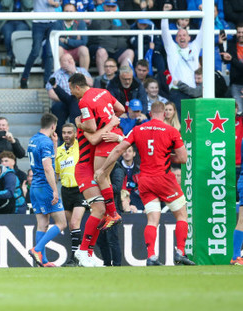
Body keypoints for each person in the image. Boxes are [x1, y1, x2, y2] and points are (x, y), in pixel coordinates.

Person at [95, 101, 195, 266]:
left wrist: (103, 169)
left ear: (150, 112)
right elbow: (183, 159)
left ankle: (152, 257)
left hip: (145, 180)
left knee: (152, 220)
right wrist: (165, 155)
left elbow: (119, 149)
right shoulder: (171, 131)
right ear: (164, 113)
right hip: (164, 179)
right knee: (182, 215)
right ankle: (180, 252)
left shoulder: (138, 129)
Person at [68, 73, 124, 267]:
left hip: (91, 167)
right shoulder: (84, 122)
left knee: (99, 210)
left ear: (75, 87)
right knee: (98, 209)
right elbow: (92, 139)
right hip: (84, 168)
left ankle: (89, 252)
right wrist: (111, 123)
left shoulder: (88, 111)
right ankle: (83, 251)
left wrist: (111, 127)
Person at [26, 113, 68, 267]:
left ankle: (42, 261)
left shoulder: (33, 139)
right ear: (53, 126)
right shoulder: (45, 143)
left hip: (35, 188)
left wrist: (55, 144)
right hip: (45, 187)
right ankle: (37, 249)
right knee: (61, 222)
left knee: (42, 224)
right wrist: (55, 190)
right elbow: (48, 167)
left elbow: (48, 159)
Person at [54, 123, 88, 265]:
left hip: (80, 189)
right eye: (64, 132)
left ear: (75, 133)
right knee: (72, 226)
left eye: (69, 132)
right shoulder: (59, 150)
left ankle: (74, 258)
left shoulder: (79, 146)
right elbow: (57, 173)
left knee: (75, 223)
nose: (66, 135)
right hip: (66, 190)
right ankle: (79, 255)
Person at [161, 16, 203, 115]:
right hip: (177, 92)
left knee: (193, 125)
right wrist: (165, 14)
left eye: (184, 35)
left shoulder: (195, 47)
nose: (182, 37)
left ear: (189, 38)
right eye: (179, 35)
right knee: (178, 124)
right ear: (176, 38)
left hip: (193, 92)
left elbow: (203, 31)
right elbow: (164, 31)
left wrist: (204, 13)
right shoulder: (171, 48)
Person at [88, 0, 134, 77]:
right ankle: (103, 80)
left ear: (116, 7)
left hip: (118, 50)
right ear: (104, 6)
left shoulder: (120, 17)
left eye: (113, 6)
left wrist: (111, 28)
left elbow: (127, 31)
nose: (110, 9)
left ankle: (123, 78)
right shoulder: (97, 15)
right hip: (103, 48)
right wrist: (118, 30)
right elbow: (101, 28)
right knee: (101, 52)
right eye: (108, 6)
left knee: (129, 52)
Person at [46, 53, 93, 128]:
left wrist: (75, 72)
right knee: (58, 107)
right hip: (62, 101)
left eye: (71, 59)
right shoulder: (56, 75)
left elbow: (91, 83)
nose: (70, 61)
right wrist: (67, 99)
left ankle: (76, 133)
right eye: (66, 60)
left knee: (77, 103)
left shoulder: (82, 71)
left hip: (81, 100)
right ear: (61, 64)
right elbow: (51, 93)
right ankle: (61, 137)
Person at [19, 0, 58, 89]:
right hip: (38, 22)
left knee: (49, 53)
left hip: (52, 21)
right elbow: (28, 3)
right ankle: (24, 78)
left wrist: (55, 3)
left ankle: (47, 82)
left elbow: (58, 3)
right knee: (35, 52)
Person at [0, 0, 32, 67]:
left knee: (18, 35)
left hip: (23, 21)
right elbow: (5, 4)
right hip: (7, 21)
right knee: (8, 35)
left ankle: (14, 58)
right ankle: (10, 56)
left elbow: (29, 5)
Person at [55, 3, 90, 70]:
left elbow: (84, 42)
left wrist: (66, 41)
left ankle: (84, 76)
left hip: (76, 51)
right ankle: (60, 76)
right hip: (63, 50)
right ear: (63, 12)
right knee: (58, 49)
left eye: (71, 11)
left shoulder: (81, 23)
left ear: (75, 12)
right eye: (66, 11)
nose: (69, 13)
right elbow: (56, 42)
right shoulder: (57, 23)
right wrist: (75, 41)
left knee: (84, 49)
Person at [220, 22, 243, 114]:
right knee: (238, 111)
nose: (240, 34)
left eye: (242, 32)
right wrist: (221, 44)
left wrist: (232, 59)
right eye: (239, 32)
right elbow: (225, 59)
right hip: (235, 84)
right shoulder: (232, 45)